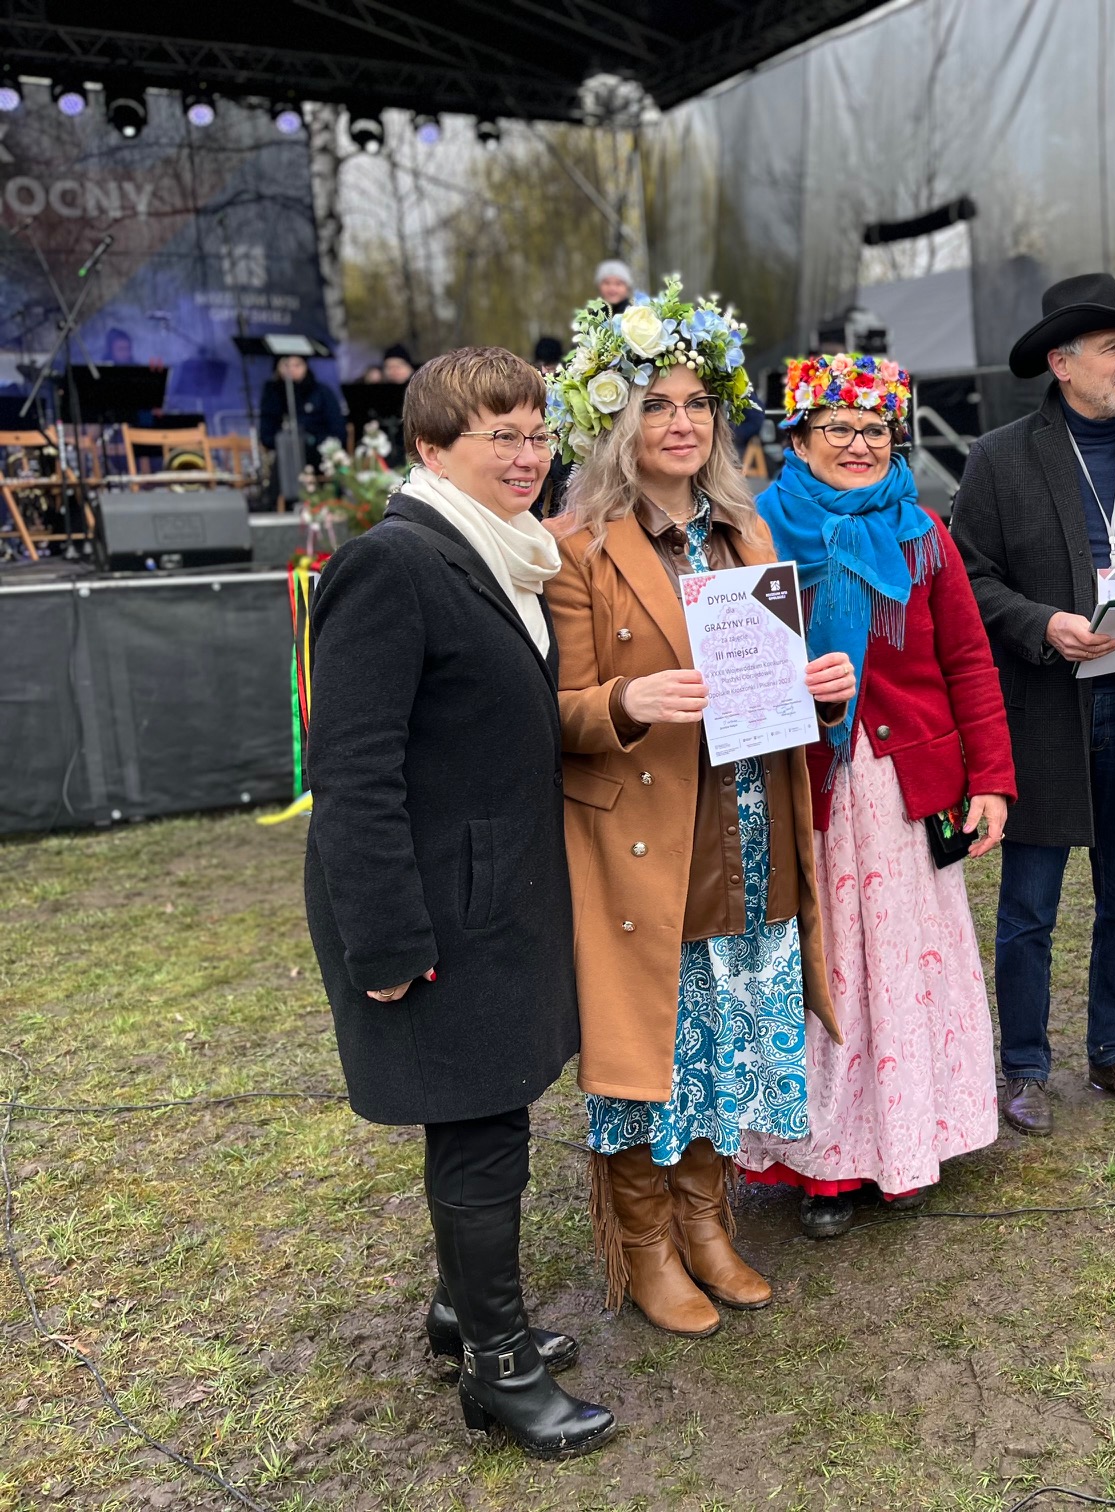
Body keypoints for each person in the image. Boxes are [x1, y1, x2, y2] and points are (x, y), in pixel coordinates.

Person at [302, 347, 614, 1459]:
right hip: (431, 908)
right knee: (481, 1130)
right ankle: (500, 1369)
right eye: (501, 437)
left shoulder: (499, 552)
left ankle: (460, 1314)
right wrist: (386, 939)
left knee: (491, 1110)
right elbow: (351, 771)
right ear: (432, 449)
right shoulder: (391, 564)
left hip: (493, 893)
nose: (530, 457)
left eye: (539, 434)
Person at [543, 275, 856, 1336]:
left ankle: (707, 1222)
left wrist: (820, 688)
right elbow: (555, 710)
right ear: (617, 422)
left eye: (696, 405)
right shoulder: (577, 546)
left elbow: (768, 679)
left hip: (749, 821)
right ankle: (643, 1246)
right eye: (656, 406)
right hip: (647, 833)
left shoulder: (744, 532)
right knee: (652, 1041)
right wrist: (627, 701)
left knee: (730, 1029)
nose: (681, 424)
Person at [735, 353, 1017, 1238]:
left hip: (902, 792)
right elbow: (733, 665)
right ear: (799, 438)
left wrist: (992, 779)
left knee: (901, 967)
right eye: (838, 428)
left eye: (875, 430)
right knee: (822, 965)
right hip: (803, 784)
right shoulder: (756, 533)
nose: (859, 445)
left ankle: (905, 1142)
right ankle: (824, 1163)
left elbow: (968, 660)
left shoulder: (923, 532)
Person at [950, 272, 1115, 1136]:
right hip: (1044, 710)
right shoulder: (1000, 458)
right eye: (1112, 347)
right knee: (1029, 907)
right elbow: (968, 581)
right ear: (1062, 364)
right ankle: (1024, 1065)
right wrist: (1042, 624)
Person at [258, 355, 346, 505]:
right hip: (285, 454)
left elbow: (337, 429)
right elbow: (267, 434)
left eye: (297, 365)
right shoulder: (273, 395)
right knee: (288, 447)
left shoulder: (321, 392)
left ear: (306, 367)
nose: (291, 370)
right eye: (286, 365)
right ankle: (284, 502)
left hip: (319, 451)